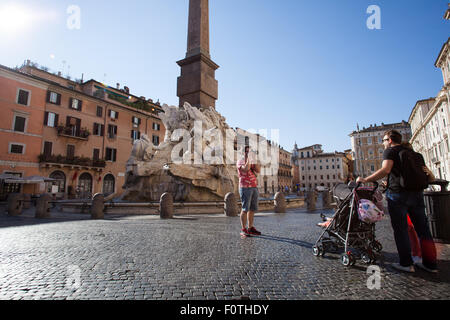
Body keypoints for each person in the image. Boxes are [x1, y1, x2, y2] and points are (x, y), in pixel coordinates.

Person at [356, 130, 437, 273]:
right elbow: (430, 177)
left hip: (398, 195)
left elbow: (385, 169)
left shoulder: (390, 151)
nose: (383, 143)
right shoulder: (416, 155)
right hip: (417, 194)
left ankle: (406, 263)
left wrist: (365, 180)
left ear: (390, 140)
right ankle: (430, 265)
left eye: (384, 140)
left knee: (401, 230)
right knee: (424, 230)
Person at [237, 146, 261, 236]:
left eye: (250, 151)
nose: (249, 153)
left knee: (252, 209)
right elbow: (246, 168)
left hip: (254, 186)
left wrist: (255, 159)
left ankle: (250, 228)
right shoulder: (240, 161)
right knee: (245, 209)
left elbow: (258, 170)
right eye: (247, 152)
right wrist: (248, 159)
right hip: (245, 187)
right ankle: (243, 229)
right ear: (243, 153)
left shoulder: (253, 161)